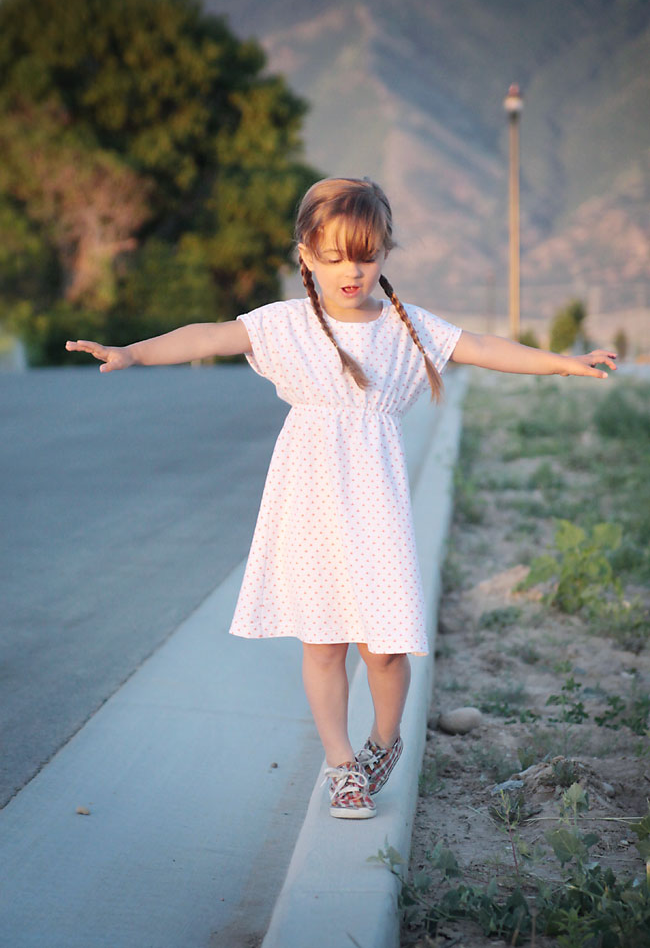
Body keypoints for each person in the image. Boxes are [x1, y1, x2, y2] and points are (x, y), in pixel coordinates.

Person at [66, 176, 616, 820]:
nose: (350, 271)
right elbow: (209, 336)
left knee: (383, 646)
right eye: (332, 257)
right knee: (322, 641)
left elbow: (485, 347)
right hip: (308, 505)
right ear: (305, 254)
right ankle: (340, 764)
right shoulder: (286, 325)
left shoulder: (405, 330)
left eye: (366, 256)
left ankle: (385, 738)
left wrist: (563, 361)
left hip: (376, 507)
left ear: (384, 254)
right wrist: (130, 352)